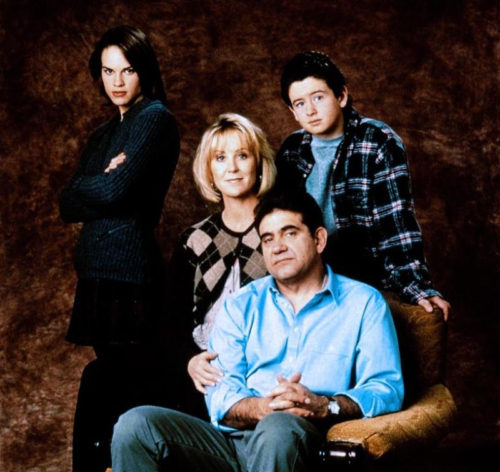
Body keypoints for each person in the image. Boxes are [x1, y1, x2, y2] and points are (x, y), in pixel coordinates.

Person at [110, 190, 404, 471]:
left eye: (290, 233)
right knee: (136, 425)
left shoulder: (364, 303)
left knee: (277, 428)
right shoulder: (240, 305)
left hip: (305, 441)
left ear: (319, 239)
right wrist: (262, 408)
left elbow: (385, 387)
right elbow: (221, 390)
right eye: (267, 239)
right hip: (233, 442)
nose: (277, 247)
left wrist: (324, 406)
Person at [59, 25, 180, 471]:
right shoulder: (105, 133)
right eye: (108, 71)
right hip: (98, 275)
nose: (117, 81)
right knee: (110, 382)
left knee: (124, 383)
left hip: (129, 276)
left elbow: (114, 191)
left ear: (143, 71)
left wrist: (100, 184)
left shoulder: (154, 119)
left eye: (127, 70)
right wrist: (101, 181)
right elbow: (66, 202)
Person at [276, 51, 451, 320]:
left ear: (341, 96)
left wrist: (416, 286)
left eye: (318, 97)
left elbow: (397, 224)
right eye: (300, 103)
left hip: (362, 275)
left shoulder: (377, 141)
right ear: (293, 112)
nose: (310, 110)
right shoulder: (292, 150)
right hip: (306, 272)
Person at [166, 113, 276, 415]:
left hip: (263, 366)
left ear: (259, 164)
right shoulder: (195, 239)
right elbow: (172, 319)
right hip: (205, 367)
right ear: (209, 170)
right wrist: (190, 360)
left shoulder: (278, 230)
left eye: (242, 155)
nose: (232, 168)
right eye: (220, 158)